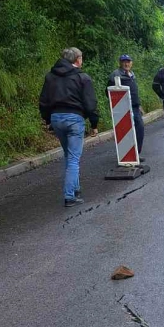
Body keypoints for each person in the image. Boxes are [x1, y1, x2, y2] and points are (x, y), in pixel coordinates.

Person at [39, 47, 99, 207]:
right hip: (74, 119)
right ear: (77, 59)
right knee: (73, 158)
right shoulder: (82, 77)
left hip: (56, 118)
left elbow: (43, 101)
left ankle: (75, 188)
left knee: (69, 155)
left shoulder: (50, 76)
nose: (82, 60)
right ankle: (70, 196)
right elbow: (90, 103)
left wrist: (48, 120)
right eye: (81, 58)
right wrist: (94, 124)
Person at [108, 55, 145, 161]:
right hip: (124, 108)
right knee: (126, 131)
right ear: (120, 63)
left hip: (135, 106)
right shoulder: (116, 75)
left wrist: (139, 105)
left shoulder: (132, 74)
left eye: (128, 61)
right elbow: (109, 92)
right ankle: (129, 156)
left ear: (131, 63)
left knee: (139, 129)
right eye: (124, 61)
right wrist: (117, 106)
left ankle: (136, 153)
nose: (126, 64)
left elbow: (134, 92)